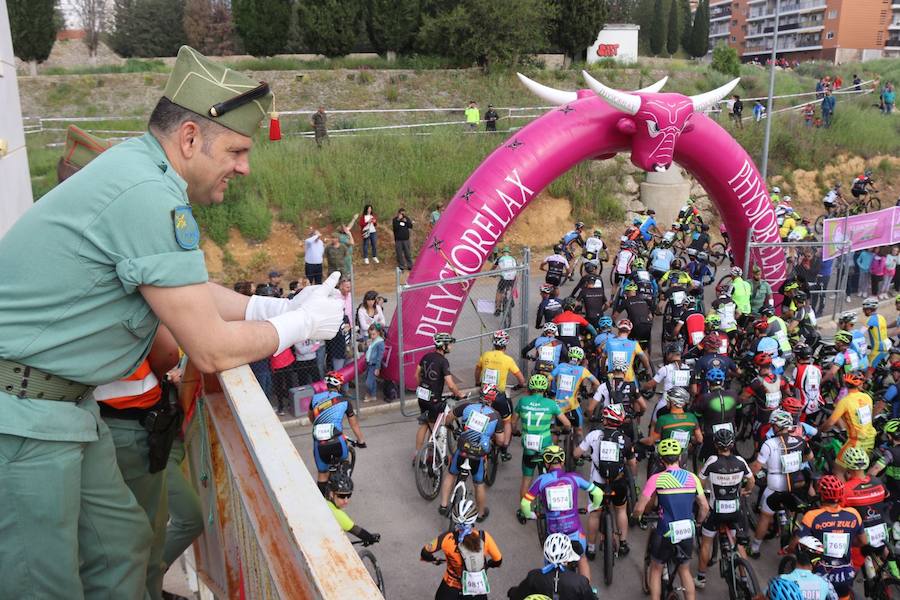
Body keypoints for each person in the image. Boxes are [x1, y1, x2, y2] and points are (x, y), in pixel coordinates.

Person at [0, 44, 349, 600]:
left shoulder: (140, 172)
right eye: (236, 150)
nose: (244, 166)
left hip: (62, 408)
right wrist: (299, 328)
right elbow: (208, 349)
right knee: (42, 585)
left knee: (123, 547)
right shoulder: (147, 194)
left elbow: (187, 292)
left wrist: (275, 308)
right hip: (21, 419)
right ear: (190, 137)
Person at [633, 439, 709, 600]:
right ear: (680, 457)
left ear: (661, 460)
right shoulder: (692, 478)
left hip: (665, 531)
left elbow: (640, 507)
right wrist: (699, 522)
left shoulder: (657, 479)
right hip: (687, 530)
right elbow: (704, 506)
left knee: (656, 568)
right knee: (684, 570)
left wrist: (635, 516)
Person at [519, 445, 604, 582]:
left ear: (546, 462)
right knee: (582, 558)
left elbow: (524, 504)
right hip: (574, 530)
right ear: (563, 462)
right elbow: (598, 493)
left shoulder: (541, 480)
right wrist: (592, 507)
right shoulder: (575, 478)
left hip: (554, 533)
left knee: (550, 565)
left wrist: (531, 515)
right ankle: (587, 590)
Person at [748, 410, 813, 559]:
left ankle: (755, 548)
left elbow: (757, 466)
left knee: (765, 517)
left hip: (775, 486)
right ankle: (787, 528)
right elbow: (810, 457)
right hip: (796, 484)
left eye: (773, 425)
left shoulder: (770, 443)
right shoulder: (800, 440)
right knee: (790, 510)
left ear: (777, 426)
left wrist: (747, 474)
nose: (771, 427)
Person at [575, 404, 637, 560]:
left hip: (597, 483)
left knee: (595, 514)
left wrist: (581, 456)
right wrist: (633, 477)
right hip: (618, 482)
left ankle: (590, 548)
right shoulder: (625, 440)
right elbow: (632, 464)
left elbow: (576, 454)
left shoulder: (594, 435)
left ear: (605, 420)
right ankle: (623, 543)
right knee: (621, 510)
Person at [695, 428, 754, 589]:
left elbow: (700, 482)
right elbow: (751, 480)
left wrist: (705, 493)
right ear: (732, 444)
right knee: (739, 544)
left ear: (716, 445)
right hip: (735, 511)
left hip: (716, 511)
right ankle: (744, 578)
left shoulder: (712, 461)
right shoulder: (741, 461)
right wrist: (745, 490)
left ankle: (701, 577)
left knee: (706, 542)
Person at [795, 476, 865, 600]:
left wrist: (789, 549)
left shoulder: (812, 516)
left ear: (821, 495)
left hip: (820, 574)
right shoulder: (854, 514)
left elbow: (797, 542)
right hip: (846, 574)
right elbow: (863, 541)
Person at [439, 388, 501, 520]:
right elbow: (501, 440)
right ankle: (480, 513)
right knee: (478, 483)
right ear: (493, 399)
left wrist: (450, 426)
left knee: (451, 474)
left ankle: (443, 505)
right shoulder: (496, 416)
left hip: (462, 449)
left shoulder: (467, 407)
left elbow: (448, 418)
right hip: (478, 454)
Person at [422, 499, 502, 599]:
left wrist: (434, 559)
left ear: (454, 518)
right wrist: (488, 565)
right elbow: (498, 560)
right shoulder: (484, 537)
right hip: (475, 589)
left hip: (450, 588)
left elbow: (424, 553)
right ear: (474, 519)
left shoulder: (446, 538)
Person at [309, 371, 367, 493]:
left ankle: (323, 502)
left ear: (326, 385)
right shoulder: (344, 400)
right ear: (339, 385)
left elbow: (311, 418)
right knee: (344, 460)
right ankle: (343, 478)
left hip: (319, 442)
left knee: (322, 473)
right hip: (336, 440)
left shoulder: (314, 398)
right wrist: (361, 441)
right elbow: (354, 424)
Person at [514, 374, 570, 498]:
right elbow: (567, 423)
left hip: (528, 448)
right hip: (545, 447)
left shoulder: (522, 401)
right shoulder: (550, 404)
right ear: (545, 388)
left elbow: (513, 422)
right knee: (552, 475)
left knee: (526, 479)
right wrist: (564, 430)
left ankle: (524, 511)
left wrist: (515, 430)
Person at [474, 330, 526, 460]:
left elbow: (478, 369)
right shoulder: (508, 360)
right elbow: (520, 378)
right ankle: (504, 449)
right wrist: (521, 384)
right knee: (506, 421)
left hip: (484, 394)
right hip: (499, 396)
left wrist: (478, 382)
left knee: (484, 415)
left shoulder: (485, 355)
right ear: (505, 345)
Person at [507, 533, 597, 600]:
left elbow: (518, 595)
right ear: (568, 558)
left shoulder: (534, 576)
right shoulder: (580, 582)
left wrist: (511, 592)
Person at [820, 371, 876, 478]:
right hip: (870, 439)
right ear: (860, 383)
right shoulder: (867, 397)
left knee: (838, 470)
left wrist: (820, 429)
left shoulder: (845, 401)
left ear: (845, 384)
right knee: (857, 470)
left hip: (855, 442)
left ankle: (846, 494)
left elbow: (831, 422)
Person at [415, 333, 463, 456]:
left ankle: (417, 454)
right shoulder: (443, 361)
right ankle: (430, 457)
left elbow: (416, 375)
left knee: (424, 425)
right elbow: (451, 384)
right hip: (433, 399)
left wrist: (424, 386)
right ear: (443, 346)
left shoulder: (426, 356)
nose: (451, 346)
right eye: (449, 344)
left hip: (422, 395)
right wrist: (459, 394)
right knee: (433, 426)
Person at [549, 347, 599, 437]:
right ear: (581, 359)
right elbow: (596, 383)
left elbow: (549, 379)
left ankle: (554, 449)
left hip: (559, 405)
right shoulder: (582, 370)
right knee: (579, 430)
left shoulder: (561, 366)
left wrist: (551, 391)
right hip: (572, 405)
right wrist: (592, 392)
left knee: (556, 431)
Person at [325, 472, 380, 546]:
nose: (346, 500)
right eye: (342, 496)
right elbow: (356, 530)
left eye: (348, 495)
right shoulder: (338, 515)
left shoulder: (322, 500)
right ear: (331, 494)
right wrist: (370, 538)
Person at [493, 245, 518, 316]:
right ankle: (511, 297)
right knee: (512, 286)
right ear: (509, 252)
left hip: (504, 278)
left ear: (503, 252)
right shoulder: (514, 258)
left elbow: (493, 267)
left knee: (499, 291)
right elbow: (517, 268)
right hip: (513, 277)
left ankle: (497, 308)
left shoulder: (500, 258)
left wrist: (491, 274)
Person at [364, 323, 385, 403]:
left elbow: (380, 357)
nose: (372, 336)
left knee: (368, 382)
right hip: (368, 363)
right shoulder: (372, 340)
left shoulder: (380, 343)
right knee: (371, 380)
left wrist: (377, 368)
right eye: (370, 334)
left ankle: (369, 394)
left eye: (373, 334)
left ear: (378, 333)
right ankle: (373, 395)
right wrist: (367, 345)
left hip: (374, 365)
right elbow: (368, 351)